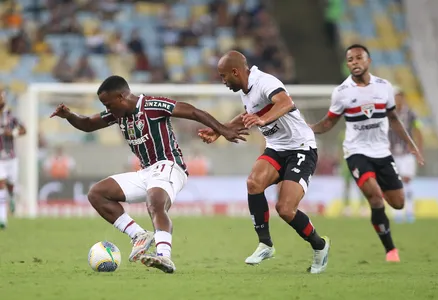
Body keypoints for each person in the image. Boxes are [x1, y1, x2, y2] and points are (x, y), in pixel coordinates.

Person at [50, 75, 246, 273]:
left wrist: (222, 130)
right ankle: (139, 235)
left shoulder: (152, 106)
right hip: (146, 172)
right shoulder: (117, 113)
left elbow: (193, 111)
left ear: (121, 97)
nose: (107, 109)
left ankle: (164, 256)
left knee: (155, 202)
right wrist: (69, 116)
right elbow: (88, 124)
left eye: (108, 104)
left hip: (170, 166)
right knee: (97, 193)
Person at [198, 51, 331, 274]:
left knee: (285, 209)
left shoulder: (265, 82)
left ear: (235, 72)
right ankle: (265, 244)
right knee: (253, 183)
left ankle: (320, 246)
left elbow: (285, 102)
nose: (223, 81)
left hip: (301, 148)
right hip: (277, 148)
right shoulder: (245, 91)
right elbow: (246, 116)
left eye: (223, 76)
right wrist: (220, 131)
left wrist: (263, 119)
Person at [309, 44, 424, 262]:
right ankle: (390, 250)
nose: (355, 62)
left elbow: (393, 118)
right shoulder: (342, 92)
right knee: (376, 197)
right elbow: (329, 122)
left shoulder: (384, 87)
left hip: (382, 152)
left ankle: (375, 183)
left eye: (359, 58)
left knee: (398, 203)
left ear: (368, 61)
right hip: (356, 152)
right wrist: (310, 128)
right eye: (350, 59)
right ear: (347, 64)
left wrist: (411, 144)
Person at [389, 87, 423, 223]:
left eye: (400, 96)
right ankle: (397, 213)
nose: (398, 99)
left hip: (407, 153)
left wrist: (419, 149)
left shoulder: (411, 114)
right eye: (396, 97)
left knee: (407, 181)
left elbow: (418, 130)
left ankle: (409, 212)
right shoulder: (388, 114)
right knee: (393, 183)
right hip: (391, 153)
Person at [0, 89, 26, 229]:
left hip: (11, 158)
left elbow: (24, 129)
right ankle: (3, 219)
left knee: (10, 185)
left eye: (2, 97)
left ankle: (11, 198)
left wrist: (13, 133)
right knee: (1, 184)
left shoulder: (10, 116)